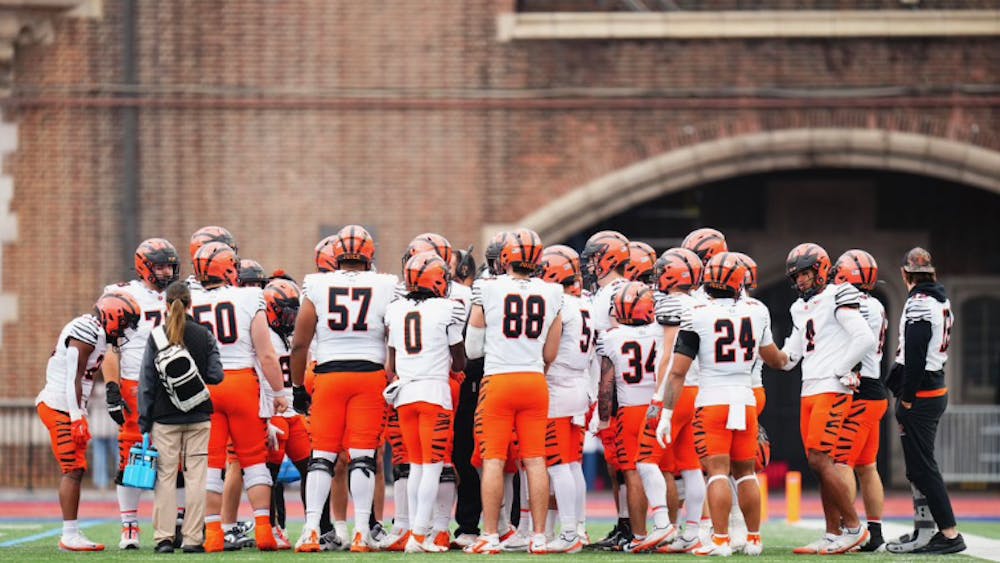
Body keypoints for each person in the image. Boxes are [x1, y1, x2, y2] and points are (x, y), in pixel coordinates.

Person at [659, 252, 788, 556]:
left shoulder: (697, 313)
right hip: (745, 398)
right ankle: (754, 539)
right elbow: (774, 358)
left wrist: (666, 413)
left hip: (713, 399)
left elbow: (677, 371)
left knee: (716, 472)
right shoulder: (757, 311)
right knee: (746, 473)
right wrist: (791, 355)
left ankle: (720, 540)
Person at [291, 225, 399, 552]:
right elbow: (394, 338)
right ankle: (361, 531)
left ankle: (311, 528)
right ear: (370, 254)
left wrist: (297, 386)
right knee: (364, 458)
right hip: (370, 375)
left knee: (322, 456)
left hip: (329, 375)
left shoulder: (317, 284)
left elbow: (299, 344)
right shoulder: (387, 284)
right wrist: (391, 374)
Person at [464, 228, 563, 554]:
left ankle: (491, 535)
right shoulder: (553, 292)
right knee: (535, 460)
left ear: (505, 257)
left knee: (493, 460)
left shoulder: (486, 288)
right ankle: (537, 537)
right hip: (534, 380)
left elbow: (473, 347)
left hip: (499, 380)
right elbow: (550, 354)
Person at [189, 242, 287, 552]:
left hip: (206, 386)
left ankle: (215, 534)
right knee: (255, 462)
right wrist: (280, 392)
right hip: (243, 382)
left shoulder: (188, 302)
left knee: (212, 466)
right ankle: (263, 531)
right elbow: (266, 353)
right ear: (229, 268)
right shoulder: (249, 296)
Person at [778, 243, 875, 555]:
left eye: (805, 274)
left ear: (820, 270)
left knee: (820, 459)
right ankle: (832, 533)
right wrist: (759, 346)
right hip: (809, 387)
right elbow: (790, 357)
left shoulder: (839, 294)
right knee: (820, 464)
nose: (801, 281)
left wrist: (841, 369)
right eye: (796, 276)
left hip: (831, 387)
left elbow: (864, 338)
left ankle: (854, 528)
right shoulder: (798, 308)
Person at [36, 291, 141, 551]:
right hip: (60, 405)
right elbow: (74, 374)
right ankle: (69, 535)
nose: (126, 329)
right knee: (72, 468)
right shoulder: (86, 329)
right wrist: (75, 416)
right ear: (113, 317)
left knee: (77, 468)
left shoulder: (97, 331)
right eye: (125, 322)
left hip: (68, 406)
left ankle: (71, 532)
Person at [884, 247, 965, 555]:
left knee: (923, 469)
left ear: (905, 275)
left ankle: (949, 533)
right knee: (919, 467)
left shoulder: (919, 303)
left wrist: (907, 397)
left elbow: (916, 355)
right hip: (934, 387)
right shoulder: (941, 301)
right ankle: (926, 530)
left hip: (922, 393)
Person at [385, 252, 466, 552]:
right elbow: (459, 363)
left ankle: (416, 533)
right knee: (431, 467)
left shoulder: (394, 309)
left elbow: (391, 362)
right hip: (434, 394)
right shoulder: (449, 308)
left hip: (405, 395)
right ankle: (419, 536)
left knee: (416, 466)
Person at [101, 238, 179, 549]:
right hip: (136, 384)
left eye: (169, 265)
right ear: (144, 266)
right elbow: (110, 346)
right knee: (131, 457)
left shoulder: (182, 294)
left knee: (179, 459)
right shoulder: (122, 294)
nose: (166, 271)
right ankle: (129, 526)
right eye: (160, 265)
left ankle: (178, 523)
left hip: (175, 384)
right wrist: (112, 390)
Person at [138, 281, 224, 553]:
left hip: (164, 418)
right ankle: (193, 539)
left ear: (165, 305)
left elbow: (147, 383)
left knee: (165, 477)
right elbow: (216, 375)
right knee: (196, 477)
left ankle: (164, 538)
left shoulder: (156, 337)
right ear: (190, 304)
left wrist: (144, 419)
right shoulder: (205, 334)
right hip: (199, 415)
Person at [596, 281, 671, 553]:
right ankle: (671, 530)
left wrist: (603, 418)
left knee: (633, 474)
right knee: (666, 471)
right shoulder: (662, 331)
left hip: (630, 410)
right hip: (657, 406)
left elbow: (605, 385)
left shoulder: (611, 337)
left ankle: (639, 535)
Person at [830, 249, 890, 552]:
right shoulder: (877, 303)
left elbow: (858, 340)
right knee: (868, 466)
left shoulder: (851, 305)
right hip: (875, 388)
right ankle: (875, 533)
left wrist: (843, 370)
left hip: (859, 389)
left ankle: (849, 528)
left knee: (842, 462)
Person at [649, 247, 707, 553]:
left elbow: (670, 354)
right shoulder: (702, 301)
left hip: (678, 389)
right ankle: (693, 531)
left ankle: (662, 525)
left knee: (647, 461)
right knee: (690, 465)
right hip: (699, 390)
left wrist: (659, 395)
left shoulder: (673, 303)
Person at [536, 245, 593, 553]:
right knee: (571, 464)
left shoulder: (559, 304)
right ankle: (578, 528)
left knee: (558, 463)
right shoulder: (584, 304)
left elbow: (550, 351)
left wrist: (538, 372)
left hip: (559, 384)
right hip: (580, 385)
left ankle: (569, 532)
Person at [87, 379, 118, 490]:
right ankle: (122, 478)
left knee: (99, 456)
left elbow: (87, 406)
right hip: (111, 426)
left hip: (97, 427)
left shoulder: (92, 389)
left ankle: (101, 482)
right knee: (119, 454)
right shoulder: (112, 387)